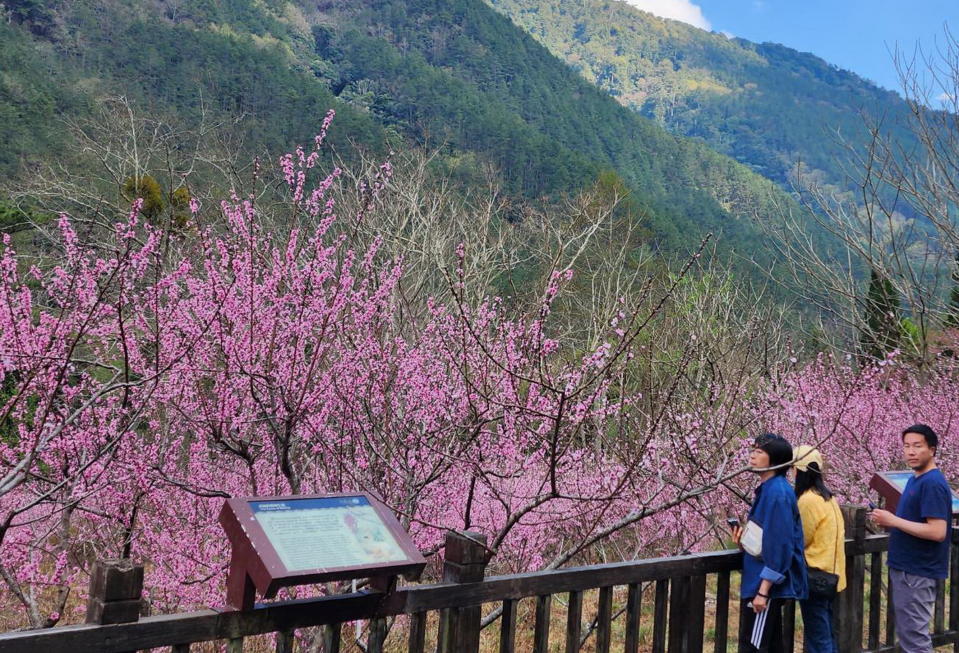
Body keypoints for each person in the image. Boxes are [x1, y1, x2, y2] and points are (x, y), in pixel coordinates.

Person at [870, 424, 952, 653]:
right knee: (909, 636)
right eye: (907, 446)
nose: (911, 452)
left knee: (915, 640)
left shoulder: (933, 483)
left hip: (917, 571)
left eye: (917, 446)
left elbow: (937, 531)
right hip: (907, 569)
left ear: (932, 450)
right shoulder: (915, 480)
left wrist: (893, 521)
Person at [732, 433, 808, 653]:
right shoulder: (769, 489)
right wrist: (743, 542)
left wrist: (763, 591)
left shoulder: (777, 494)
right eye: (753, 450)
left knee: (753, 647)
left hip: (764, 586)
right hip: (760, 581)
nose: (752, 456)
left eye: (760, 452)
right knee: (771, 646)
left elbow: (780, 545)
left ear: (774, 460)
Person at [793, 445, 845, 653]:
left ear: (798, 471)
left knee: (818, 636)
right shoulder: (829, 498)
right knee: (826, 631)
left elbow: (801, 537)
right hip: (832, 575)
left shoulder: (807, 500)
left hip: (815, 575)